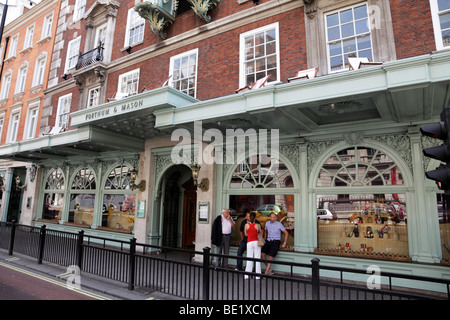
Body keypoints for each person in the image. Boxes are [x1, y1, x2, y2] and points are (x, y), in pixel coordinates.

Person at [244, 211, 262, 279]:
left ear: (249, 217)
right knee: (257, 258)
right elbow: (259, 232)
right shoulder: (258, 225)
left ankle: (247, 275)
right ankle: (258, 275)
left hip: (249, 242)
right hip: (256, 242)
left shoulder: (246, 225)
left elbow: (246, 234)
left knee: (249, 258)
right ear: (255, 218)